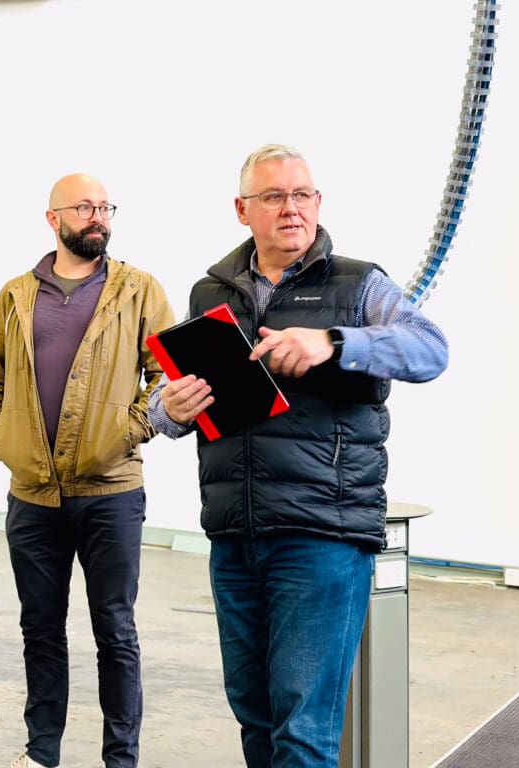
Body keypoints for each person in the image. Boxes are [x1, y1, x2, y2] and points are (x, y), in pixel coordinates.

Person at [148, 144, 448, 768]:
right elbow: (185, 398)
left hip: (323, 533)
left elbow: (429, 350)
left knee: (303, 729)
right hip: (235, 534)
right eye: (274, 196)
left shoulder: (357, 282)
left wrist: (334, 342)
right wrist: (167, 411)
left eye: (302, 194)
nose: (292, 208)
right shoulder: (211, 292)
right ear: (242, 210)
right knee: (254, 716)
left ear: (318, 203)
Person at [0, 173, 175, 768]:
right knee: (40, 629)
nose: (98, 217)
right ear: (52, 218)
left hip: (111, 493)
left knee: (115, 632)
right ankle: (42, 754)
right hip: (32, 494)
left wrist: (131, 429)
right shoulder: (15, 295)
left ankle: (121, 759)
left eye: (105, 207)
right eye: (84, 207)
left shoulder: (139, 291)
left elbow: (168, 373)